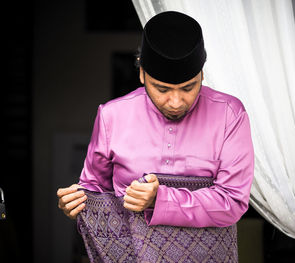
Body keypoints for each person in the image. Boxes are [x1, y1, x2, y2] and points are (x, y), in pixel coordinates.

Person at [57, 10, 254, 261]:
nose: (175, 101)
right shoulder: (111, 116)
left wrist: (160, 199)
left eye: (188, 88)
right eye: (162, 89)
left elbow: (233, 201)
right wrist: (76, 202)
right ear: (142, 74)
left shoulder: (230, 115)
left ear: (202, 74)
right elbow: (94, 188)